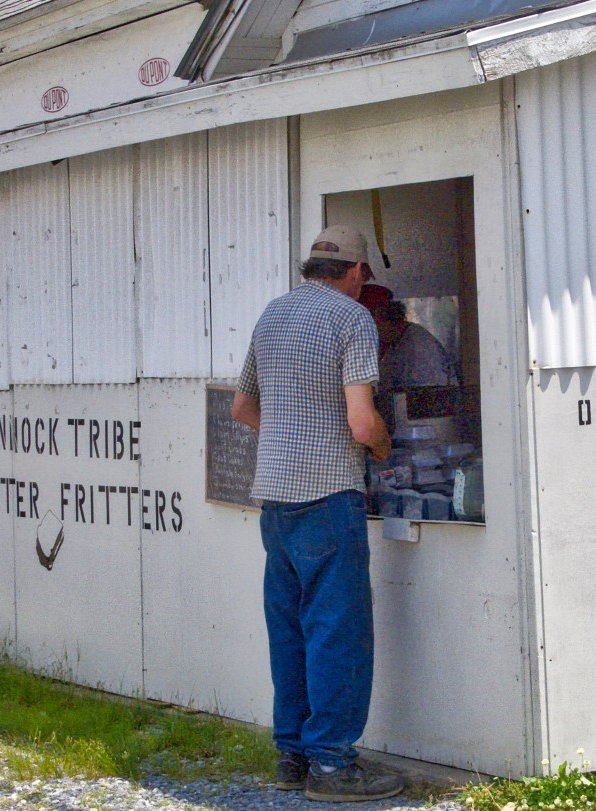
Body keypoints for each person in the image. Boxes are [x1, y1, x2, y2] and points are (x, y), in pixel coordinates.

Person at [231, 225, 403, 803]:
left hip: (275, 501)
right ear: (355, 272)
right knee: (338, 632)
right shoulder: (351, 320)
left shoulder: (272, 315)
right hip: (329, 495)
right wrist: (381, 446)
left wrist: (290, 434)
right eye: (364, 276)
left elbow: (242, 407)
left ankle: (292, 758)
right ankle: (332, 766)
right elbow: (361, 421)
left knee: (292, 631)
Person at [357, 283, 459, 429]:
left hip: (431, 426)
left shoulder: (419, 345)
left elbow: (429, 397)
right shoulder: (393, 343)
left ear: (383, 318)